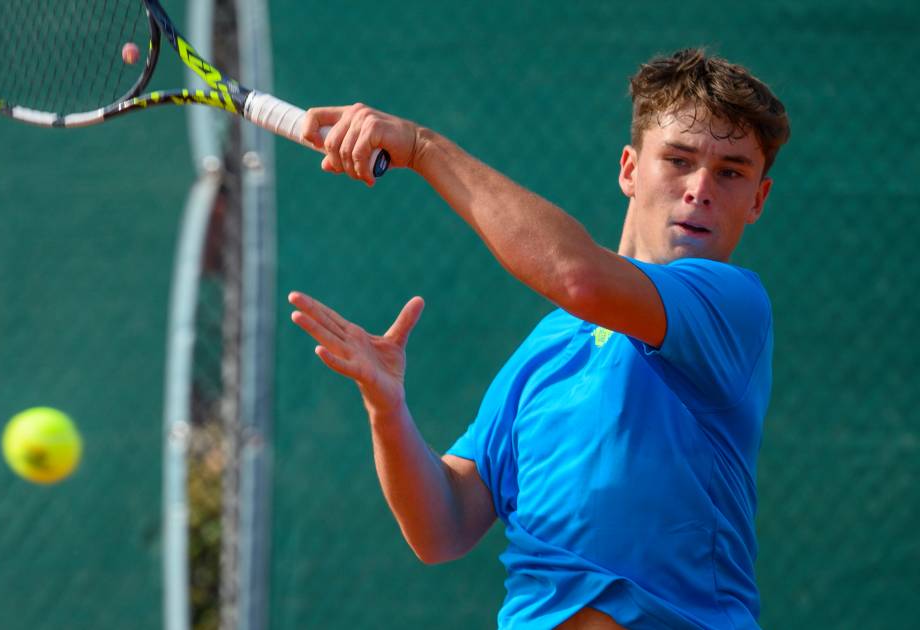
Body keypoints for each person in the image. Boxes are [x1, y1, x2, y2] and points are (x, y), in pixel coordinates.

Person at [287, 48, 790, 629]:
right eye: (678, 160)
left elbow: (577, 277)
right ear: (630, 170)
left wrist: (423, 148)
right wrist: (386, 406)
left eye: (730, 172)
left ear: (757, 199)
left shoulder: (731, 304)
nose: (700, 188)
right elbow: (443, 525)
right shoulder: (550, 344)